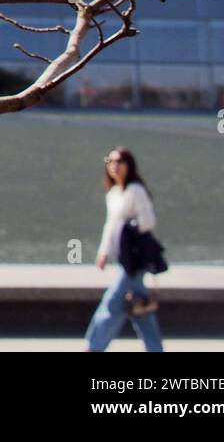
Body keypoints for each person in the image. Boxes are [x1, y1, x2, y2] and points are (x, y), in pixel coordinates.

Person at [83, 146, 163, 352]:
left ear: (129, 165)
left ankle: (92, 347)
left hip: (135, 259)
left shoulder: (135, 190)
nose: (114, 166)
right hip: (123, 257)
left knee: (112, 301)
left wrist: (128, 226)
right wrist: (104, 252)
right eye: (111, 162)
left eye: (119, 162)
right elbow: (109, 225)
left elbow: (148, 222)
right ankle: (155, 349)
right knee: (141, 308)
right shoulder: (114, 193)